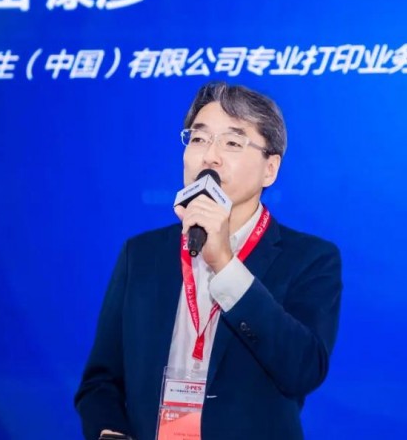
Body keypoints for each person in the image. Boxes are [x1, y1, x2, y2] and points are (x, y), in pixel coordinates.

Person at [75, 81, 342, 440]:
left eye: (232, 143)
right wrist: (110, 433)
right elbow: (101, 381)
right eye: (199, 139)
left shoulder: (310, 259)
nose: (210, 156)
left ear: (270, 169)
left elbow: (302, 371)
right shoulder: (141, 254)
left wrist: (225, 264)